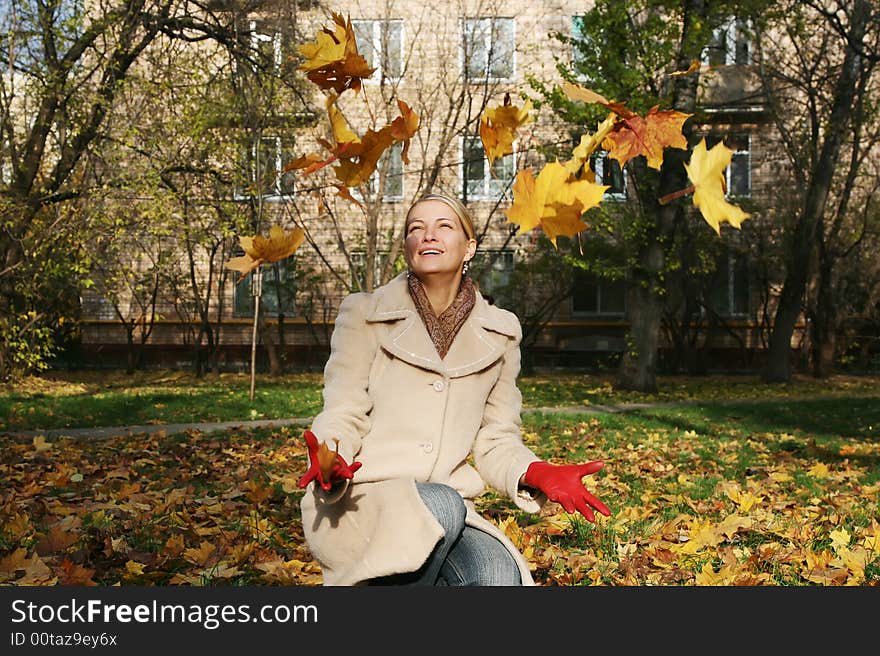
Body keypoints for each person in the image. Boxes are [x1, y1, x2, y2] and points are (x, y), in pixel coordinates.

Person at [297, 192, 610, 586]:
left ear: (469, 248)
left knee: (498, 575)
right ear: (408, 247)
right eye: (416, 228)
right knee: (441, 504)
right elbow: (343, 409)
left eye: (444, 226)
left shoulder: (502, 332)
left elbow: (496, 439)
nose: (428, 235)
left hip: (451, 508)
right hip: (365, 500)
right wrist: (330, 457)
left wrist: (535, 471)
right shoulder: (364, 313)